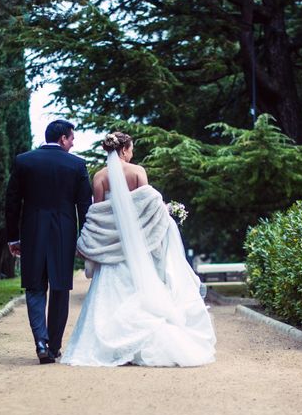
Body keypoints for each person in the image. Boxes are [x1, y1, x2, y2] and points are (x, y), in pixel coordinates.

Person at [61, 132, 216, 367]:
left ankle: (109, 344)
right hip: (136, 248)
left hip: (111, 247)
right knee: (139, 291)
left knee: (108, 295)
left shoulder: (100, 177)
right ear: (124, 150)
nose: (132, 153)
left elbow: (98, 215)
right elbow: (149, 208)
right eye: (131, 149)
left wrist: (94, 243)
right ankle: (142, 344)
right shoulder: (138, 172)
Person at [5, 120, 93, 364]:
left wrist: (13, 237)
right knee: (59, 288)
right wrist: (85, 239)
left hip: (32, 232)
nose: (73, 142)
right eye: (72, 138)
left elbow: (12, 202)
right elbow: (85, 207)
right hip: (64, 233)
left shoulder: (24, 160)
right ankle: (53, 347)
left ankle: (40, 342)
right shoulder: (77, 165)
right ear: (63, 138)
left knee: (34, 287)